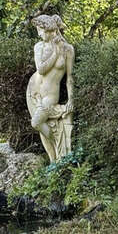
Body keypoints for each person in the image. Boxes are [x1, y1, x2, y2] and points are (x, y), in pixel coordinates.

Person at [27, 14, 74, 162]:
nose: (39, 33)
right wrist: (54, 52)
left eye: (40, 30)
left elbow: (70, 78)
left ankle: (60, 151)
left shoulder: (68, 49)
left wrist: (71, 99)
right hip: (33, 91)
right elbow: (41, 69)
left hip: (50, 96)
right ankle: (53, 160)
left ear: (49, 30)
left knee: (36, 122)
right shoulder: (39, 46)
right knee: (43, 125)